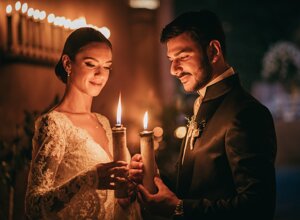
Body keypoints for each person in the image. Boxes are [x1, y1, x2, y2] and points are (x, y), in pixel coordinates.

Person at [129, 10, 277, 220]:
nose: (173, 69)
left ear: (213, 52)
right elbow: (196, 183)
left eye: (183, 56)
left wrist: (180, 209)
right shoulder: (204, 103)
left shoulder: (247, 113)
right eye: (171, 59)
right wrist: (153, 174)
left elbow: (258, 207)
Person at [25, 27, 141, 219]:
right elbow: (34, 206)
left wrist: (132, 178)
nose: (100, 74)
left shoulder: (103, 122)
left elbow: (116, 199)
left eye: (107, 66)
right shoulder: (54, 124)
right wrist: (90, 179)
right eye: (90, 64)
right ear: (67, 64)